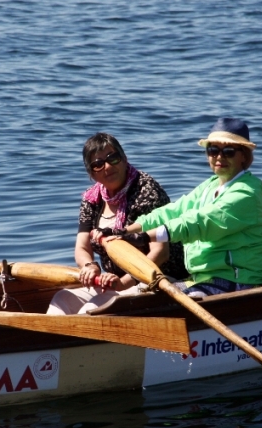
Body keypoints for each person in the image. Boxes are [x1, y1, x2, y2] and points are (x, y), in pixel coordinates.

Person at [99, 118, 262, 298]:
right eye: (213, 150)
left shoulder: (247, 193)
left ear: (243, 155)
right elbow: (172, 211)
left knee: (161, 304)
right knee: (137, 295)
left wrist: (143, 237)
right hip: (203, 278)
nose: (219, 157)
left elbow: (198, 223)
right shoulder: (211, 185)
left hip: (237, 280)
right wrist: (125, 230)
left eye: (228, 151)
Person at [46, 133, 187, 315]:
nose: (107, 166)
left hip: (159, 278)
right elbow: (82, 247)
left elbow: (161, 252)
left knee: (93, 308)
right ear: (91, 173)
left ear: (124, 158)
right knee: (62, 299)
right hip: (115, 281)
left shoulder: (146, 191)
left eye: (113, 158)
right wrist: (90, 267)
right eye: (98, 164)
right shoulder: (91, 199)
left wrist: (124, 283)